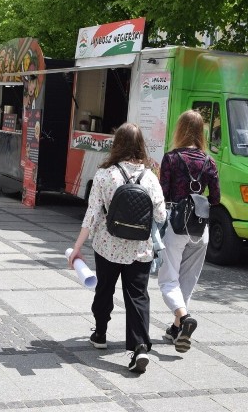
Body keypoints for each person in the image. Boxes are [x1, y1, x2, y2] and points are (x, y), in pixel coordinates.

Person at [68, 123, 166, 374]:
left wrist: (77, 248)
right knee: (138, 297)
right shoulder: (151, 177)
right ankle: (140, 348)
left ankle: (100, 333)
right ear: (140, 145)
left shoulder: (104, 175)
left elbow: (91, 216)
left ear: (117, 144)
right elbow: (161, 216)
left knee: (105, 289)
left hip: (107, 245)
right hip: (139, 250)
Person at [158, 110, 221, 353]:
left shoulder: (171, 158)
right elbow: (215, 198)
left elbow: (162, 193)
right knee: (188, 279)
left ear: (180, 129)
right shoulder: (209, 161)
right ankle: (177, 329)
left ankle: (183, 319)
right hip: (200, 228)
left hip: (175, 225)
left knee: (168, 279)